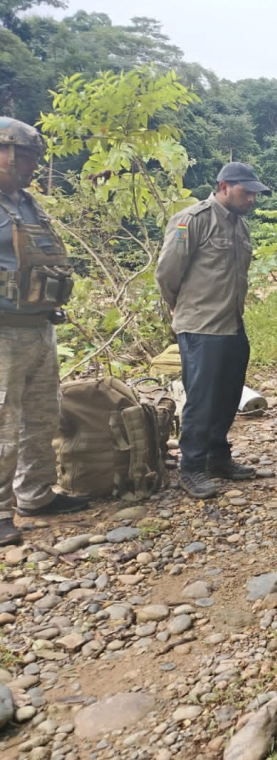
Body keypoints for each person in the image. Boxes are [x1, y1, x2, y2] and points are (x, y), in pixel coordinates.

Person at [155, 162, 270, 499]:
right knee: (201, 401)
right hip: (201, 326)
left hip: (232, 324)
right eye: (245, 191)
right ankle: (191, 469)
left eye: (253, 193)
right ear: (223, 186)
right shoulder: (193, 219)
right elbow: (167, 274)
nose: (251, 198)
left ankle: (218, 458)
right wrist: (180, 307)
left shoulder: (240, 226)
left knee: (228, 396)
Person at [0, 116, 90, 546]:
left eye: (33, 156)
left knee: (41, 416)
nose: (28, 164)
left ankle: (34, 495)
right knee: (3, 423)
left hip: (39, 326)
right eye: (21, 155)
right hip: (3, 332)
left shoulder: (28, 203)